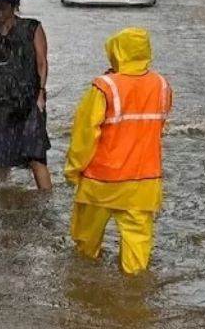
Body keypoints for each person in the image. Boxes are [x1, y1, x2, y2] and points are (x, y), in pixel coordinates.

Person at [65, 27, 173, 275]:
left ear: (115, 51)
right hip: (143, 182)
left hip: (100, 182)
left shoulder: (104, 87)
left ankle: (84, 290)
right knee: (137, 255)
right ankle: (135, 300)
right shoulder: (162, 85)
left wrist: (73, 170)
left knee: (84, 248)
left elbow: (84, 135)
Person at [0, 0, 52, 191]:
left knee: (36, 155)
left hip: (27, 101)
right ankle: (2, 198)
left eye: (1, 6)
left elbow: (42, 62)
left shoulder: (32, 27)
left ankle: (46, 202)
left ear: (13, 6)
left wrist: (41, 93)